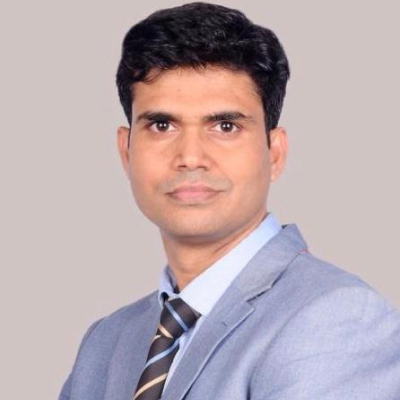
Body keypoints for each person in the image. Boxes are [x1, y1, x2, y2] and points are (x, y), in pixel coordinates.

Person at [58, 2, 400, 399]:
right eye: (162, 125)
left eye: (225, 126)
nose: (190, 156)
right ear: (126, 150)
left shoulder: (335, 317)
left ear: (275, 153)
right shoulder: (106, 342)